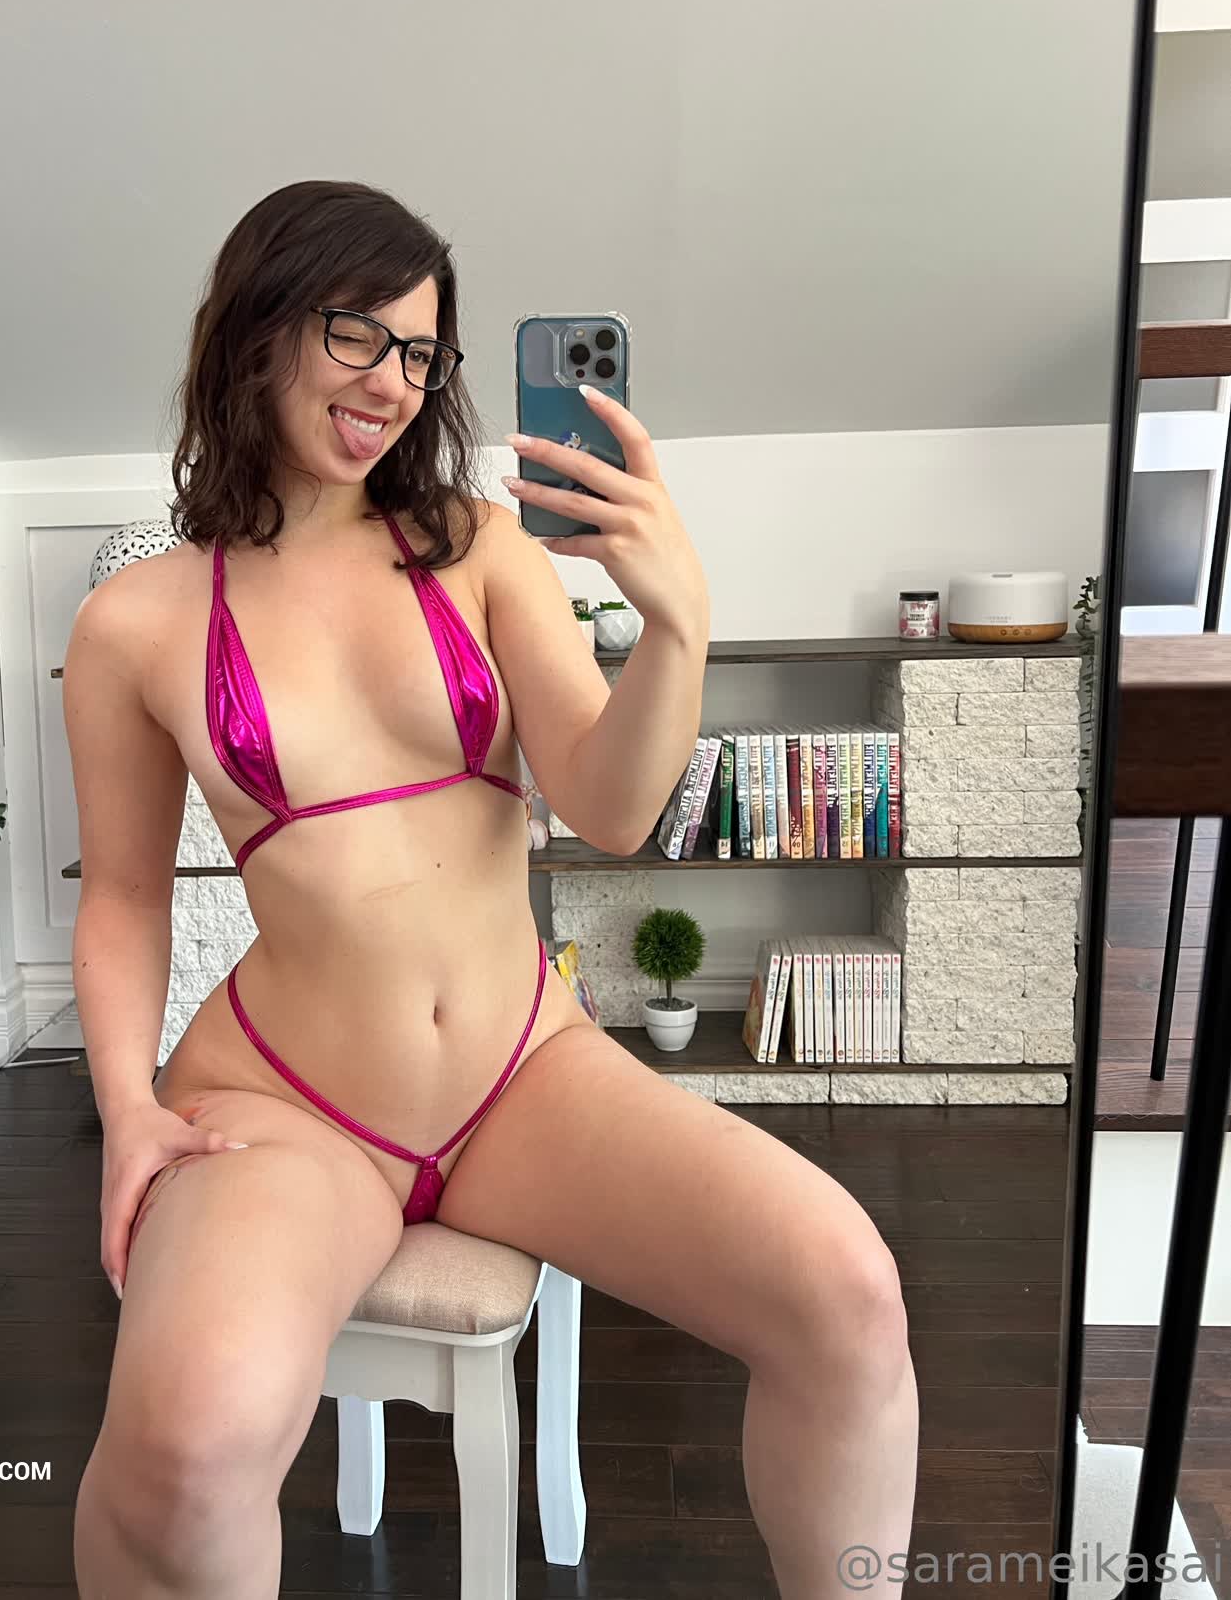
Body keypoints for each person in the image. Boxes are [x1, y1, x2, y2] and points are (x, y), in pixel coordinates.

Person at [63, 179, 918, 1599]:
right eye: (356, 334)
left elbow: (614, 809)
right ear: (257, 327)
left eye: (419, 351)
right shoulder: (134, 621)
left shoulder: (478, 548)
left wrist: (677, 624)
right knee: (180, 1455)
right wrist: (125, 1111)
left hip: (523, 1078)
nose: (391, 383)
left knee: (846, 1293)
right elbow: (124, 899)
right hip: (287, 1105)